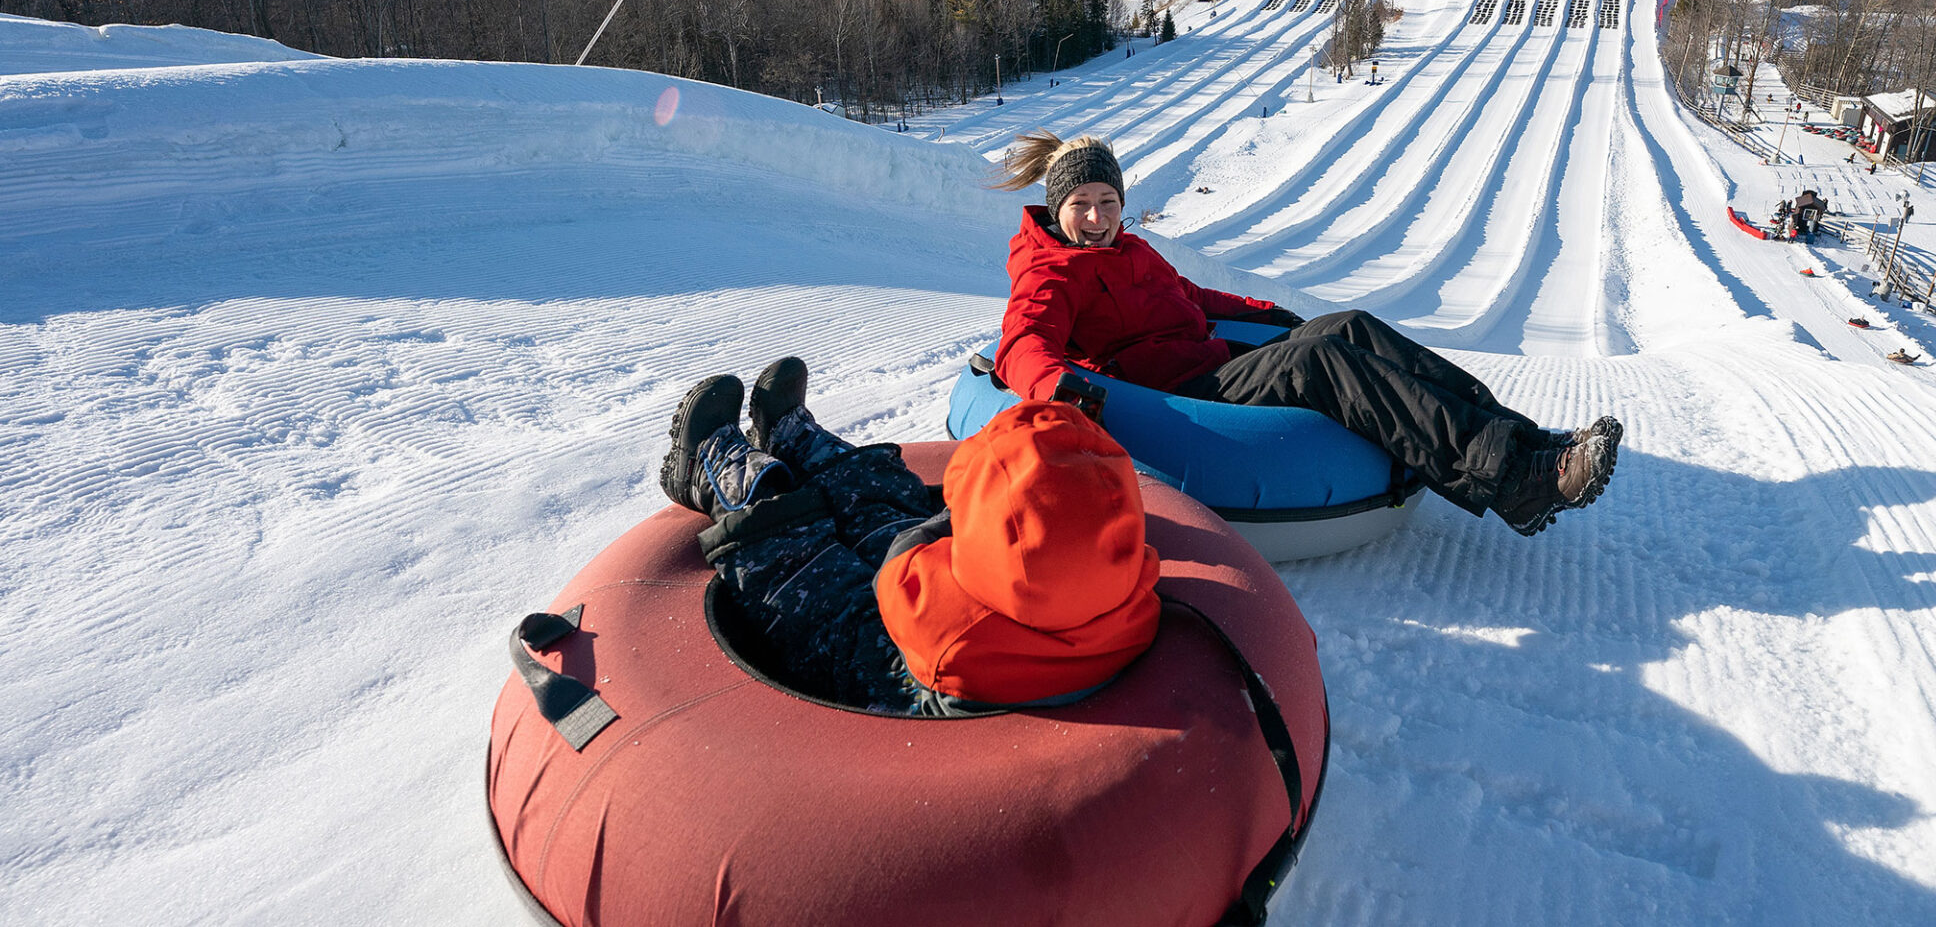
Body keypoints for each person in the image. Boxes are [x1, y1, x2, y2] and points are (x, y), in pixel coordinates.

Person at [987, 131, 1620, 537]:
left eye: (1108, 201)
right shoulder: (1050, 269)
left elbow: (1193, 298)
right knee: (1318, 361)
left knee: (1348, 326)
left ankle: (1527, 440)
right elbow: (1022, 342)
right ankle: (1515, 481)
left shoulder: (1133, 251)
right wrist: (1056, 387)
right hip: (1178, 395)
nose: (1097, 218)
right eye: (1081, 205)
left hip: (1210, 357)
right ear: (1058, 207)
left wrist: (1267, 312)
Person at [658, 359, 1159, 714]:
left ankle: (718, 474)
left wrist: (943, 519)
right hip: (1007, 623)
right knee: (891, 507)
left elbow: (899, 565)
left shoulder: (944, 630)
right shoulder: (1128, 583)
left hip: (905, 672)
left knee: (810, 576)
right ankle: (798, 445)